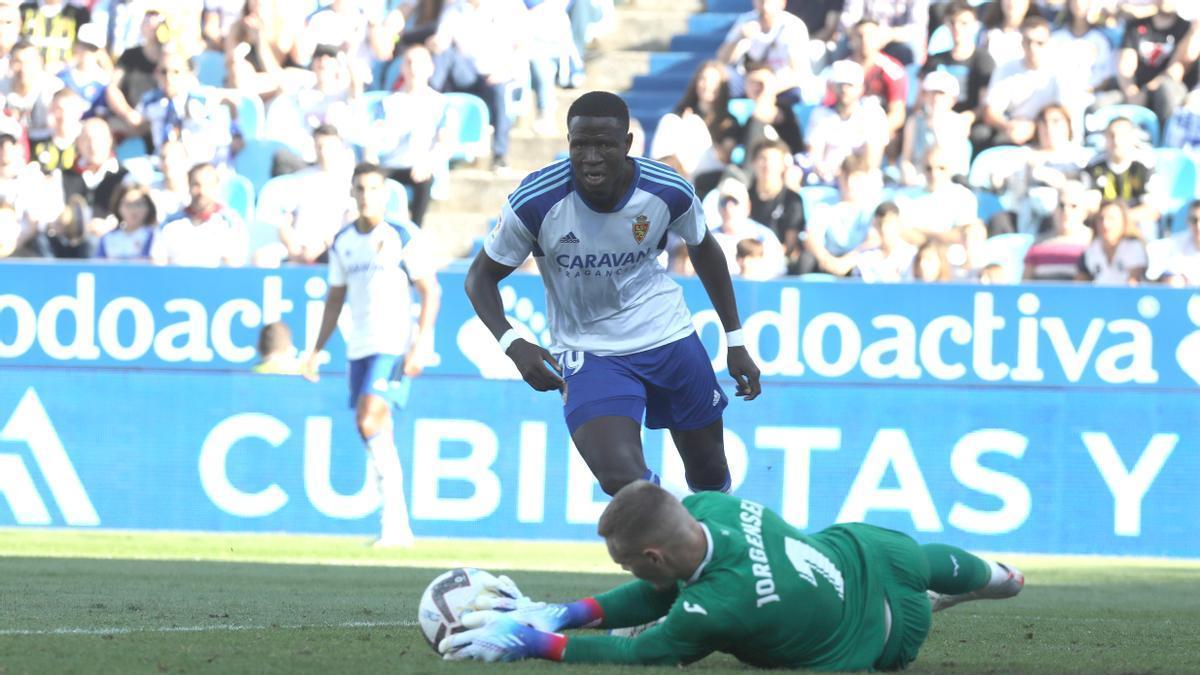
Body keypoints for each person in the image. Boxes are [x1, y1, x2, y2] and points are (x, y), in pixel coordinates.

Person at [463, 91, 762, 497]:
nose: (590, 156)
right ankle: (673, 532)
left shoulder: (668, 190)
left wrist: (736, 340)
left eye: (603, 143)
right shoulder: (535, 201)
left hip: (668, 336)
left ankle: (713, 548)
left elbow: (703, 246)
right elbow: (479, 277)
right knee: (622, 479)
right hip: (589, 349)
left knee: (709, 476)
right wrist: (514, 344)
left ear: (627, 144)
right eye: (580, 143)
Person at [440, 480, 1025, 669]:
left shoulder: (716, 606)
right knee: (918, 559)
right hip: (864, 552)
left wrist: (534, 643)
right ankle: (1000, 577)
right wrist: (568, 611)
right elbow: (657, 592)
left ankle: (954, 592)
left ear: (653, 558)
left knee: (915, 596)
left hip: (883, 636)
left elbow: (641, 656)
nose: (622, 569)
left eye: (624, 561)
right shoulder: (708, 506)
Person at [302, 162, 441, 548]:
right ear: (352, 192)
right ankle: (396, 525)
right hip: (358, 346)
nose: (366, 196)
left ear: (384, 193)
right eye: (360, 189)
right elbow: (334, 299)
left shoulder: (401, 234)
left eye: (373, 189)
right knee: (376, 432)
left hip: (393, 343)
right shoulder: (343, 240)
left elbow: (430, 290)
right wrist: (315, 350)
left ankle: (394, 525)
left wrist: (422, 342)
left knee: (368, 421)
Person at [150, 162, 248, 267]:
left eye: (208, 185)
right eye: (196, 185)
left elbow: (235, 266)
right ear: (188, 185)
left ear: (217, 186)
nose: (202, 191)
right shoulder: (170, 223)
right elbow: (157, 263)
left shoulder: (231, 222)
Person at [1077, 199, 1147, 285]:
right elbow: (1080, 284)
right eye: (1101, 219)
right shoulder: (1090, 250)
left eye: (1111, 219)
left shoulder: (1134, 247)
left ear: (1124, 222)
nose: (1105, 224)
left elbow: (1133, 283)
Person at [95, 182, 157, 260]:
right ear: (118, 206)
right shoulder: (108, 238)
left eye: (139, 204)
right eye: (128, 204)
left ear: (149, 207)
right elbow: (98, 265)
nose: (134, 210)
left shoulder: (154, 236)